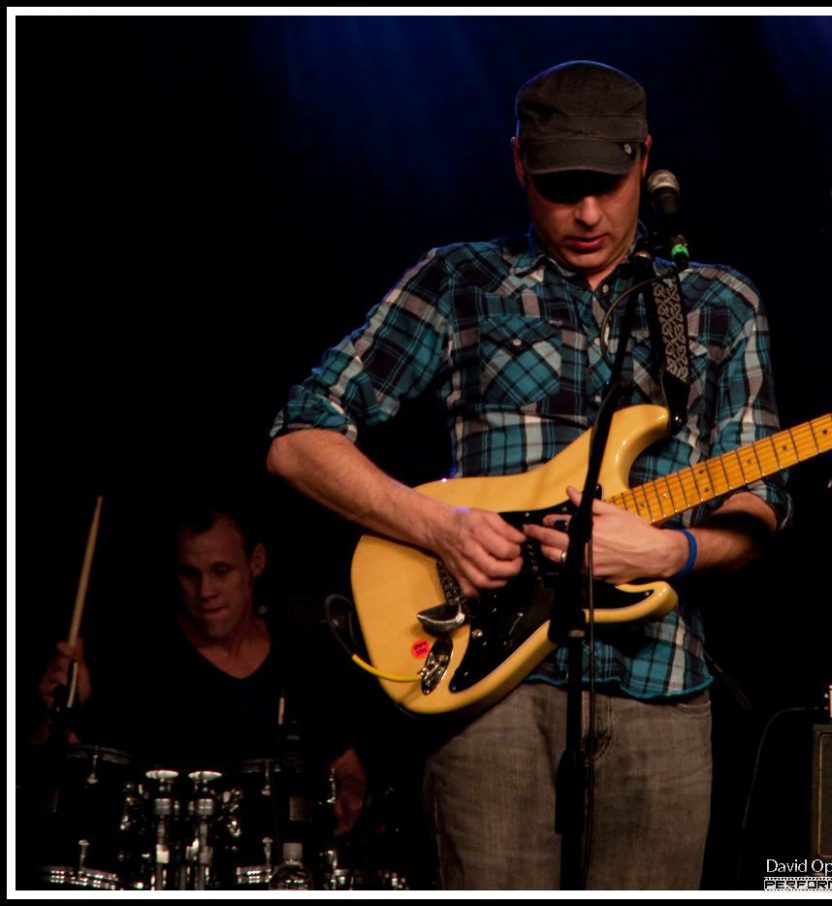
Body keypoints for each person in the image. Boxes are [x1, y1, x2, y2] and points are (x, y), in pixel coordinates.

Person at [267, 60, 791, 890]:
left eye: (609, 185)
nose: (586, 213)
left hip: (660, 685)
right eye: (558, 187)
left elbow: (756, 504)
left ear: (645, 160)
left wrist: (665, 557)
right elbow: (299, 436)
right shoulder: (460, 280)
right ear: (518, 164)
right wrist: (438, 528)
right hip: (489, 687)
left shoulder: (716, 304)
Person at [32, 497, 370, 837]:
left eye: (221, 571)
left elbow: (345, 763)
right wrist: (59, 713)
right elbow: (64, 774)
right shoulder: (139, 655)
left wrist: (351, 792)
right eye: (190, 574)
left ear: (256, 562)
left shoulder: (298, 656)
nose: (205, 591)